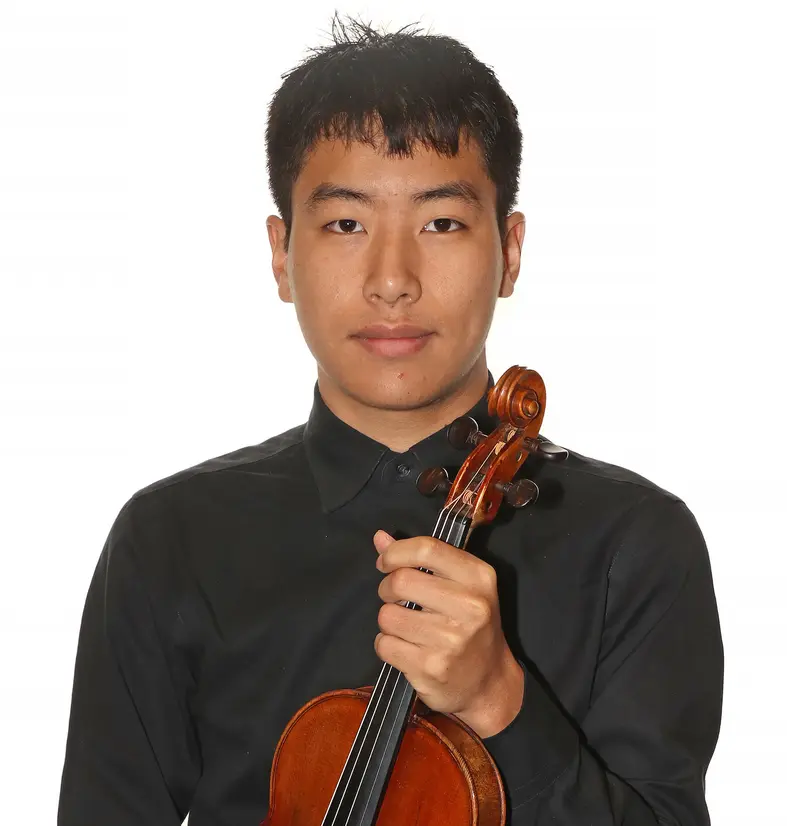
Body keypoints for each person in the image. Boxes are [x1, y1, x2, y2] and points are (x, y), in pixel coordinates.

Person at [57, 14, 724, 826]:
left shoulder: (635, 544)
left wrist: (501, 703)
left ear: (510, 252)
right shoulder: (170, 540)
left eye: (441, 222)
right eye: (346, 224)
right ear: (281, 255)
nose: (393, 279)